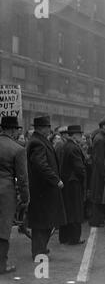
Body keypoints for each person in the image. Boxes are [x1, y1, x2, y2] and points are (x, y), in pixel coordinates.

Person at [26, 116, 66, 260]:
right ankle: (38, 251)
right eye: (48, 127)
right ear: (42, 128)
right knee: (41, 223)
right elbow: (40, 165)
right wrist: (55, 180)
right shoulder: (37, 143)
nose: (50, 129)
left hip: (43, 189)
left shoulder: (39, 141)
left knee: (45, 222)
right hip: (42, 189)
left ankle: (41, 248)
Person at [0, 117, 29, 274]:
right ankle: (1, 265)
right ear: (12, 130)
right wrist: (25, 198)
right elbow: (23, 178)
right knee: (3, 228)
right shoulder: (18, 149)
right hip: (5, 192)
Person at [59, 125, 87, 245]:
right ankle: (74, 238)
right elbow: (79, 168)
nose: (81, 137)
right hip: (74, 183)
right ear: (75, 135)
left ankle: (64, 237)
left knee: (67, 210)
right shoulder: (74, 148)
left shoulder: (65, 146)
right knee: (75, 211)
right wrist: (84, 177)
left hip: (66, 182)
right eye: (80, 134)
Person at [89, 119, 105, 227]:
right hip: (99, 173)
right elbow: (100, 159)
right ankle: (96, 220)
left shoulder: (101, 137)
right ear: (103, 126)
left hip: (99, 172)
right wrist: (104, 173)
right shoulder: (100, 139)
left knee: (99, 195)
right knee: (98, 196)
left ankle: (98, 220)